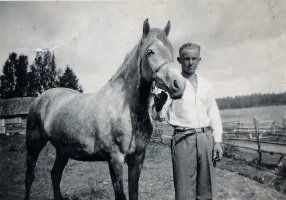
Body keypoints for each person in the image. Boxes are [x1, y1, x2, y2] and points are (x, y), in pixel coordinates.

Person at [152, 43, 223, 200]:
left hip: (206, 139)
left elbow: (214, 114)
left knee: (207, 191)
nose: (190, 62)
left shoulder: (206, 85)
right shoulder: (173, 84)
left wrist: (217, 141)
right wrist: (157, 106)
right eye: (186, 59)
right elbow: (158, 115)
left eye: (194, 58)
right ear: (179, 60)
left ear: (199, 60)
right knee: (184, 193)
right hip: (183, 140)